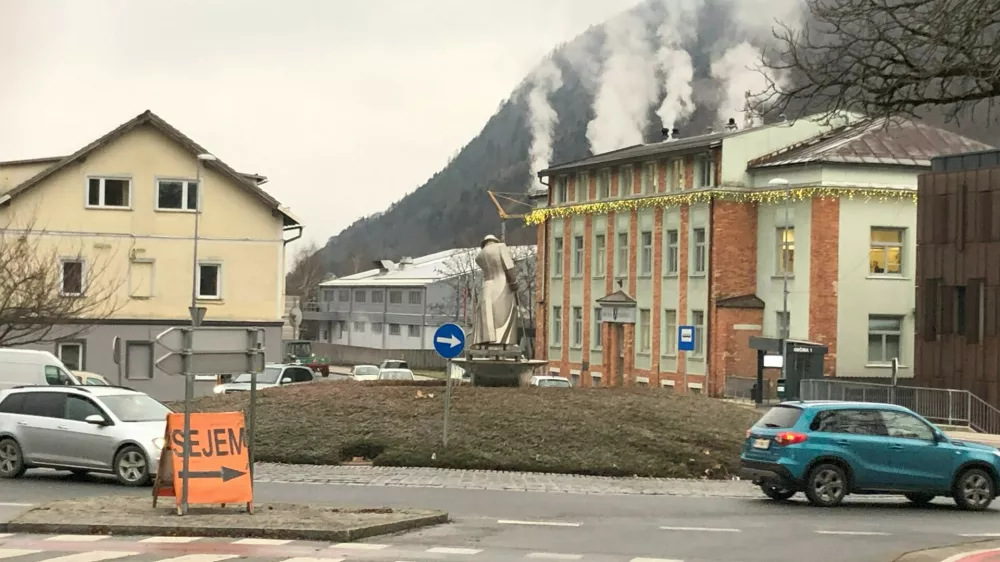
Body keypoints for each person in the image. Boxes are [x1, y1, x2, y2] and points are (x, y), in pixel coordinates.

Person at [471, 235, 519, 346]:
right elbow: (509, 266)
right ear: (495, 241)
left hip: (487, 285)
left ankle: (487, 339)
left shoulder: (480, 256)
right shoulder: (501, 247)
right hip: (502, 283)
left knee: (487, 314)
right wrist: (514, 283)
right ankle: (504, 341)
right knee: (504, 314)